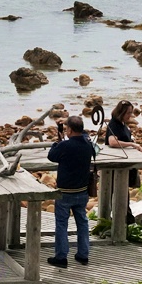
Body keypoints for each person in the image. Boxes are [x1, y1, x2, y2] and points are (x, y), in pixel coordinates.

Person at [46, 115, 95, 268]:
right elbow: (85, 139)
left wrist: (57, 142)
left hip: (65, 192)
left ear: (70, 130)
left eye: (67, 128)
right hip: (82, 190)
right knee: (82, 222)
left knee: (61, 224)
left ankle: (61, 257)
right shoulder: (88, 144)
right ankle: (83, 254)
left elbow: (51, 156)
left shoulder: (65, 146)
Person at [105, 100, 142, 225]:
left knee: (124, 195)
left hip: (125, 164)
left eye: (131, 112)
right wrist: (132, 144)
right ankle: (123, 222)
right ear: (121, 112)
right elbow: (112, 142)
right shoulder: (114, 124)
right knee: (118, 195)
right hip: (116, 166)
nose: (130, 115)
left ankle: (125, 221)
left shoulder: (122, 124)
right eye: (128, 113)